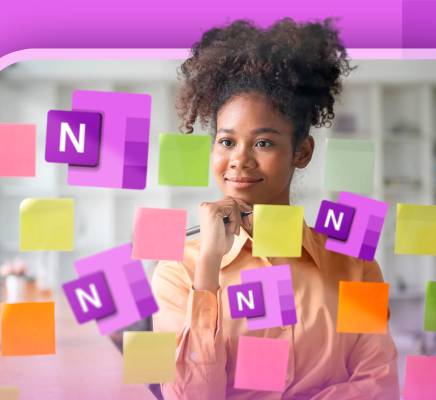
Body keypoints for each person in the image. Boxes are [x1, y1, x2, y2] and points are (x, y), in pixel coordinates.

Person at [151, 18, 399, 399]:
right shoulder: (178, 270)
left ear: (301, 152)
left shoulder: (354, 265)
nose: (240, 160)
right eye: (226, 141)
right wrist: (209, 269)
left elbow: (379, 386)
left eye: (263, 143)